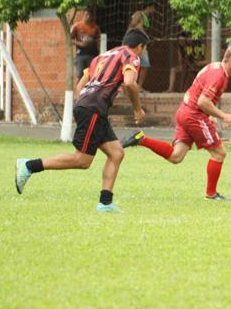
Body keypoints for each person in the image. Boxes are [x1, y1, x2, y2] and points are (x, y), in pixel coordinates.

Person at [14, 29, 149, 213]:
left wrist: (88, 100)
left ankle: (105, 203)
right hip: (94, 108)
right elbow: (130, 83)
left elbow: (80, 85)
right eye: (144, 49)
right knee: (83, 160)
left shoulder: (101, 57)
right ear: (140, 46)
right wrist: (137, 109)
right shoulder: (131, 56)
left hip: (90, 107)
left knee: (116, 153)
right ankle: (29, 165)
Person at [120, 43, 231, 200]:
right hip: (194, 115)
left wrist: (210, 114)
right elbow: (202, 102)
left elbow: (200, 94)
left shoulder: (214, 68)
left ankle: (141, 139)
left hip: (184, 112)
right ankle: (211, 193)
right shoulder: (219, 76)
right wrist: (223, 115)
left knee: (176, 156)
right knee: (219, 153)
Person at [127, 1, 155, 92]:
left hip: (142, 43)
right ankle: (132, 85)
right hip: (136, 43)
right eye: (153, 8)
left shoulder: (146, 18)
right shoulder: (139, 14)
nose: (154, 11)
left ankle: (139, 86)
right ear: (149, 7)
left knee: (144, 65)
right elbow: (134, 25)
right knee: (135, 64)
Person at [71, 8, 101, 82]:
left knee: (92, 75)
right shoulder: (77, 26)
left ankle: (89, 92)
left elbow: (98, 41)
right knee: (80, 75)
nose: (87, 16)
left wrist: (99, 54)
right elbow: (70, 39)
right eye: (85, 14)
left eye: (88, 15)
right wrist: (80, 44)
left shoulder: (95, 28)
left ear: (91, 16)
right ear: (83, 15)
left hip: (92, 55)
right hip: (80, 55)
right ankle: (79, 92)